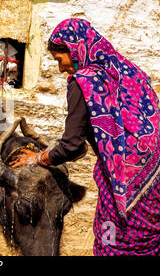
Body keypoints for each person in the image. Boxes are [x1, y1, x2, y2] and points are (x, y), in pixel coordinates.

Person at [10, 18, 160, 255]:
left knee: (111, 239)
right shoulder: (127, 70)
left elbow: (71, 145)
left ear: (75, 49)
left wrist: (37, 158)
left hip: (124, 184)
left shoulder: (84, 82)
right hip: (155, 178)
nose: (61, 69)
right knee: (149, 239)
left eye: (60, 60)